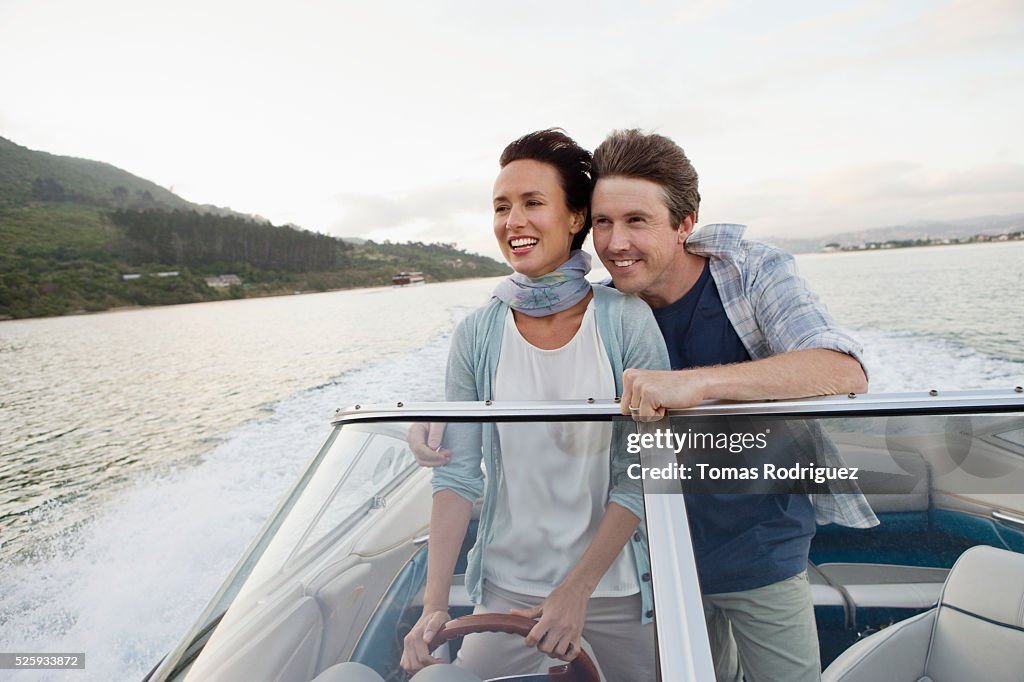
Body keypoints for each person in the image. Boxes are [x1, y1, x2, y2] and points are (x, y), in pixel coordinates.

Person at [588, 129, 877, 682]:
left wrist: (696, 386)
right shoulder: (600, 307)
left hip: (760, 546)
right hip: (653, 560)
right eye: (603, 222)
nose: (615, 242)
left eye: (637, 221)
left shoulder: (751, 271)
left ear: (685, 223)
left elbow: (844, 370)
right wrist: (440, 423)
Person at [400, 129, 669, 681]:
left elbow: (640, 474)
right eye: (501, 207)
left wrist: (576, 590)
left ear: (575, 219)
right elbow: (456, 480)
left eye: (531, 203)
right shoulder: (476, 333)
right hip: (507, 589)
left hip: (613, 588)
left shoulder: (625, 320)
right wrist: (433, 606)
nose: (512, 221)